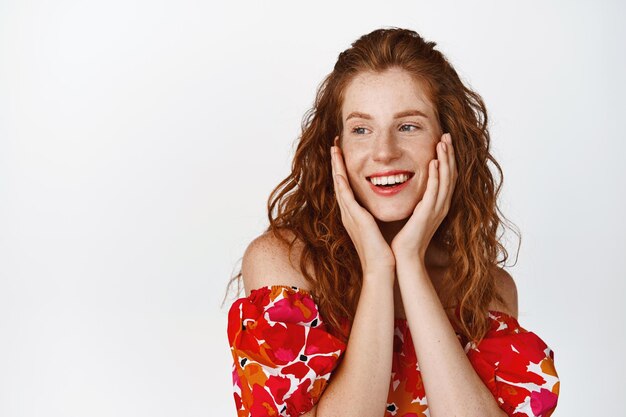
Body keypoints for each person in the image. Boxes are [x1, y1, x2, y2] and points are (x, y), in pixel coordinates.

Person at [223, 27, 560, 417]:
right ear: (337, 149)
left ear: (447, 141)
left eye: (408, 126)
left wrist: (410, 263)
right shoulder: (284, 264)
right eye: (361, 129)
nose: (383, 152)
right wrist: (379, 269)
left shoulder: (486, 290)